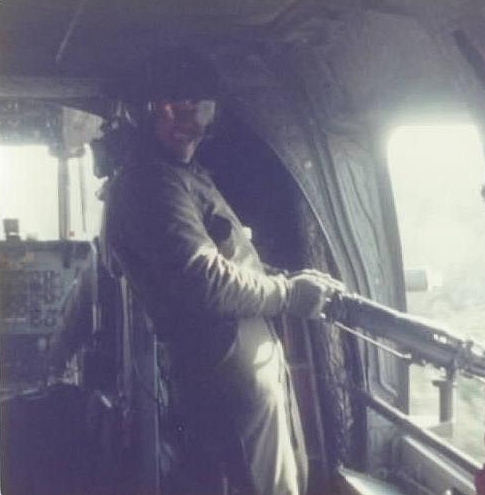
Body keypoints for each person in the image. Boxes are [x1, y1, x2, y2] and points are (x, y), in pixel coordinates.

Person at [101, 47, 343, 495]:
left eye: (200, 108)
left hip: (235, 353)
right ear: (143, 112)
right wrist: (288, 295)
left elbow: (225, 259)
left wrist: (286, 280)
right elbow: (202, 279)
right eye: (171, 107)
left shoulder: (183, 174)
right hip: (222, 360)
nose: (187, 120)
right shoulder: (151, 182)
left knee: (276, 479)